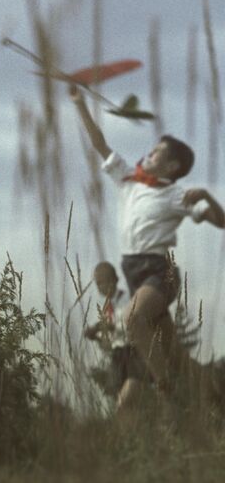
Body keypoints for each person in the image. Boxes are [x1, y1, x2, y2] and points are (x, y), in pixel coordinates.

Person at [70, 84, 224, 406]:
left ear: (171, 168)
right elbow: (99, 143)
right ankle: (215, 400)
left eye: (156, 153)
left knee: (132, 319)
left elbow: (220, 221)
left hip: (159, 272)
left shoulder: (176, 195)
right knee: (178, 356)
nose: (148, 154)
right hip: (134, 274)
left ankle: (165, 386)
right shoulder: (128, 179)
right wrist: (79, 103)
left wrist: (208, 196)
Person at [85, 261, 148, 406]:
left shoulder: (128, 299)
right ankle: (128, 424)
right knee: (117, 393)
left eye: (102, 282)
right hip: (117, 355)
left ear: (113, 280)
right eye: (97, 284)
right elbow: (109, 343)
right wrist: (95, 336)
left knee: (130, 393)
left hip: (132, 351)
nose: (100, 287)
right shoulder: (106, 307)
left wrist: (109, 326)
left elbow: (131, 325)